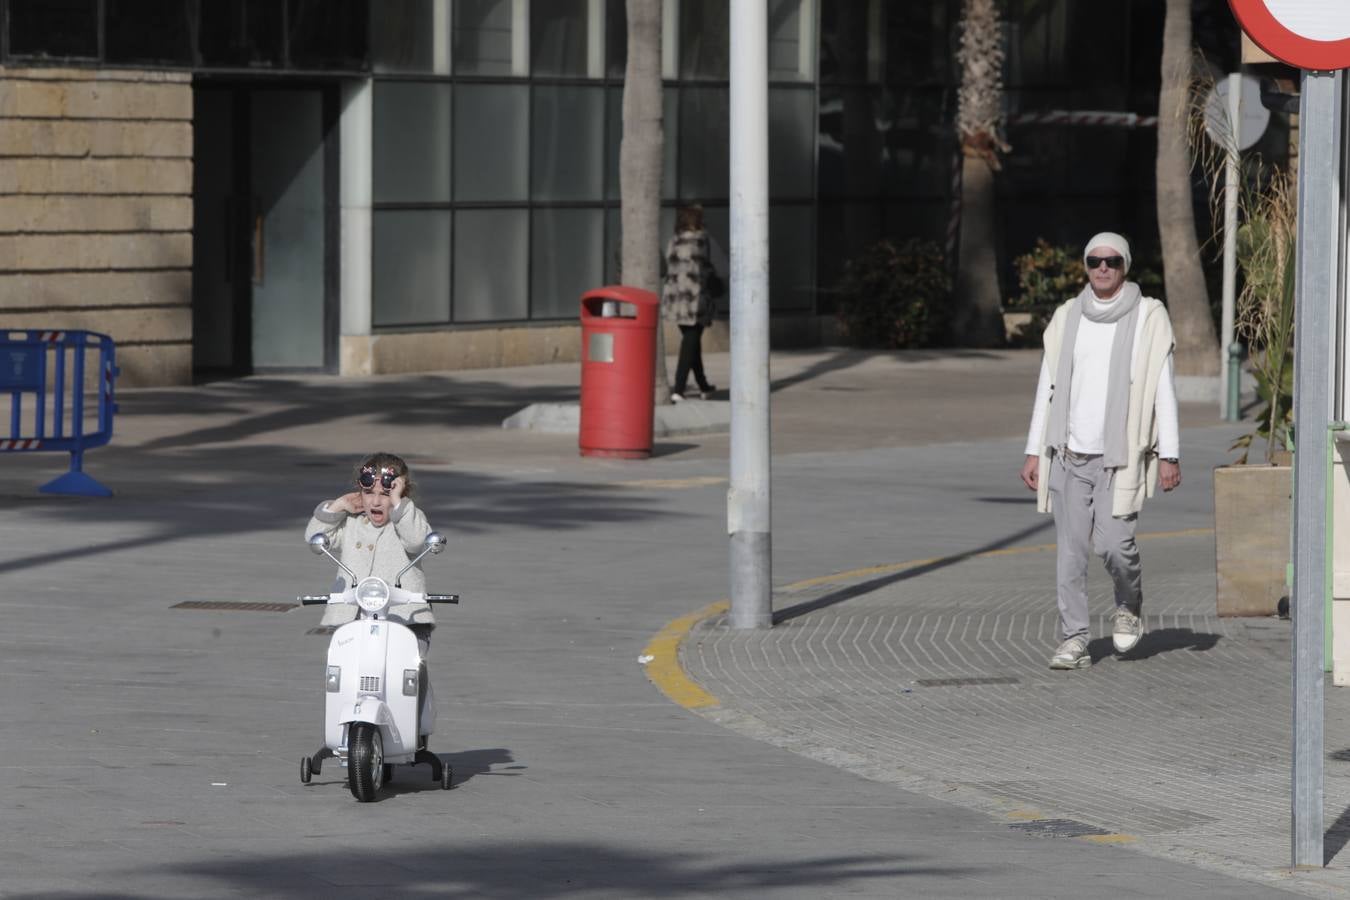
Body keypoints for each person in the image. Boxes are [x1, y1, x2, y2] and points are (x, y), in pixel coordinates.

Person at [1019, 232, 1181, 670]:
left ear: (1125, 265)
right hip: (1069, 454)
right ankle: (1075, 639)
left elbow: (1161, 389)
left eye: (1112, 261)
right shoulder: (1067, 316)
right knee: (1070, 554)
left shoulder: (1149, 317)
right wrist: (1035, 450)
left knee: (1113, 545)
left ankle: (1129, 604)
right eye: (1094, 261)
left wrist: (1170, 453)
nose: (1103, 268)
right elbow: (1047, 388)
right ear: (1086, 266)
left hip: (1120, 458)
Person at [304, 452, 437, 652]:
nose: (375, 502)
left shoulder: (409, 518)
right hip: (354, 618)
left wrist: (399, 503)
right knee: (342, 671)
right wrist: (338, 505)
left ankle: (418, 682)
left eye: (385, 494)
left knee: (409, 671)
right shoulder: (353, 523)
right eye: (369, 493)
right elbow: (314, 536)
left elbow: (416, 542)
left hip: (405, 619)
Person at [661, 205, 720, 401]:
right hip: (695, 299)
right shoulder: (702, 239)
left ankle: (703, 385)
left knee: (691, 342)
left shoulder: (674, 240)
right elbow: (714, 267)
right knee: (691, 342)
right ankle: (679, 389)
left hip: (676, 300)